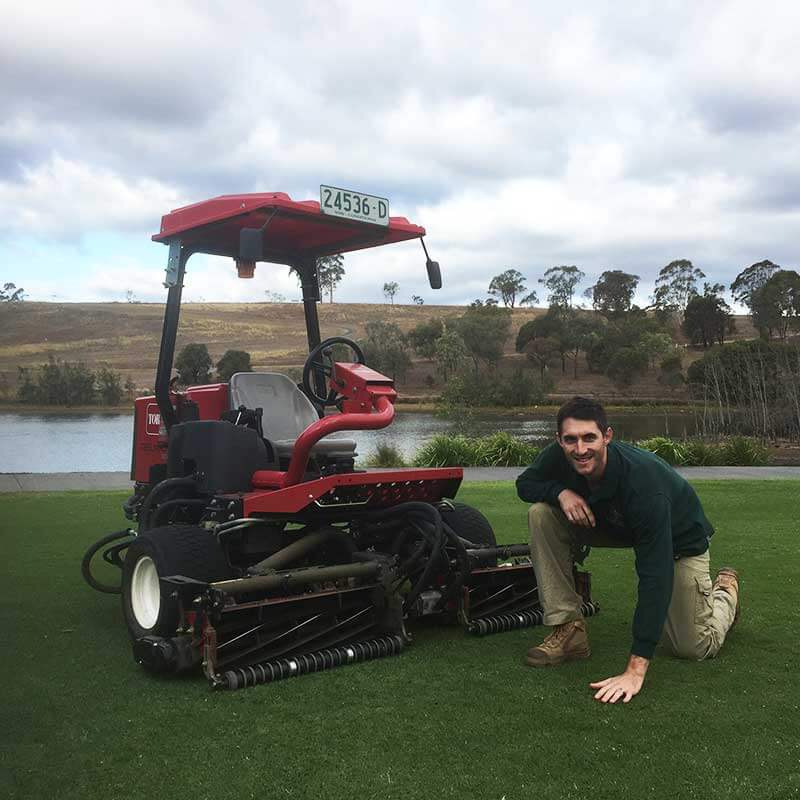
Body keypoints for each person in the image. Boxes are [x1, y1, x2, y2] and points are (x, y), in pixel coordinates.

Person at [516, 396, 739, 704]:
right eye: (570, 439)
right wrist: (560, 492)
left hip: (678, 540)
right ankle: (568, 630)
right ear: (559, 439)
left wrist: (635, 669)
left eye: (589, 438)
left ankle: (725, 594)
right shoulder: (558, 455)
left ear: (607, 436)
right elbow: (525, 484)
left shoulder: (644, 484)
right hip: (611, 523)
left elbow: (655, 574)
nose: (580, 449)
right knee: (541, 514)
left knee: (692, 647)